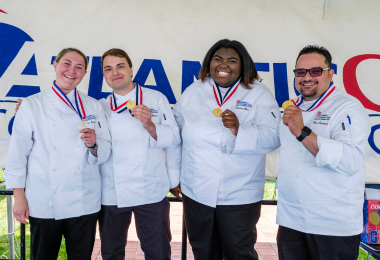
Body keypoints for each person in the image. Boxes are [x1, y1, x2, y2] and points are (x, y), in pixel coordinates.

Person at [166, 39, 281, 260]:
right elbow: (175, 135)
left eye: (232, 60)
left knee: (239, 251)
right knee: (203, 250)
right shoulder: (194, 91)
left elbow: (275, 136)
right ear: (209, 63)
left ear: (243, 64)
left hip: (239, 192)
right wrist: (174, 176)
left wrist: (241, 130)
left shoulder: (258, 93)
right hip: (197, 189)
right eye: (217, 59)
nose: (224, 65)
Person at [5, 48, 111, 260]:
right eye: (67, 63)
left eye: (79, 67)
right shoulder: (31, 105)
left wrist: (94, 145)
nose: (72, 70)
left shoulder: (93, 105)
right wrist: (19, 196)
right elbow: (18, 153)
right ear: (55, 64)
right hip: (45, 200)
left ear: (84, 73)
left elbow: (106, 147)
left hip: (84, 200)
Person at [276, 45, 371, 260]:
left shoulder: (347, 107)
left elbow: (351, 161)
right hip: (292, 220)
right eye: (301, 72)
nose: (307, 77)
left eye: (315, 71)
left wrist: (302, 132)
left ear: (330, 74)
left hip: (332, 224)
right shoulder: (292, 108)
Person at [98, 48, 180, 260]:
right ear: (104, 75)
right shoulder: (100, 107)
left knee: (158, 251)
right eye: (108, 69)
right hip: (112, 190)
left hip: (150, 188)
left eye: (120, 66)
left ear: (131, 69)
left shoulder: (156, 98)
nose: (115, 72)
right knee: (111, 252)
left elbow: (175, 138)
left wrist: (151, 126)